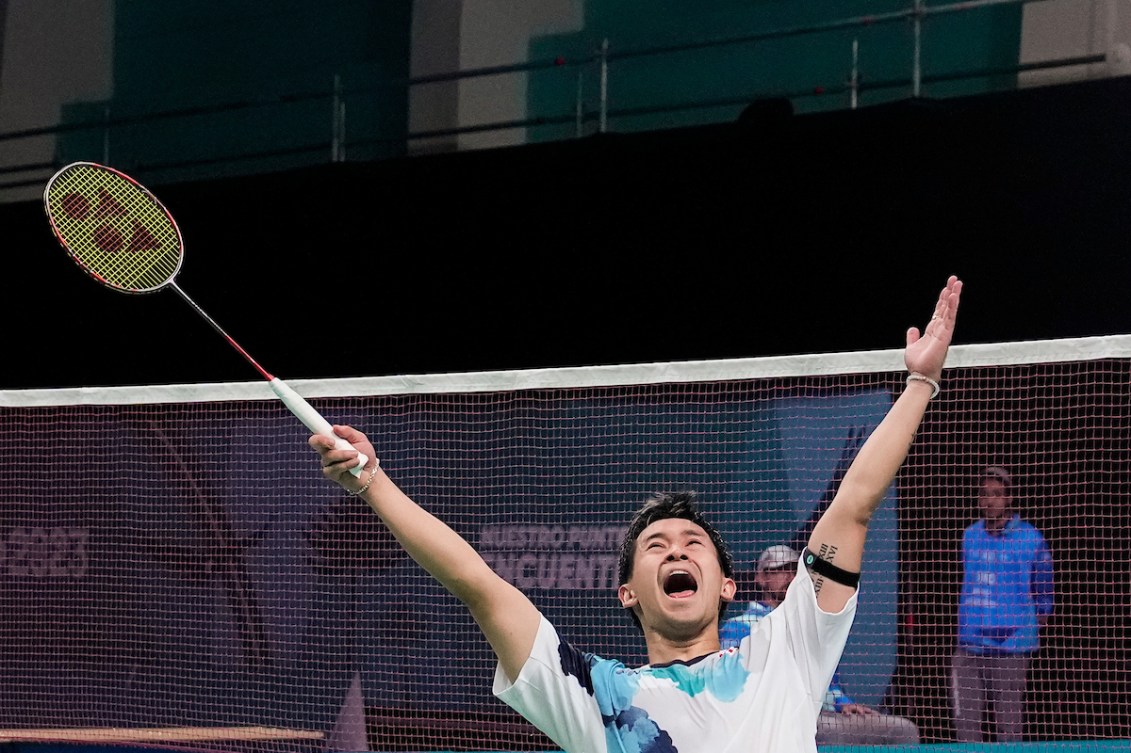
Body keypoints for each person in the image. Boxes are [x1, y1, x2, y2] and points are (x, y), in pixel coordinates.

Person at [308, 275, 963, 753]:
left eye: (691, 542)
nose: (675, 550)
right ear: (626, 591)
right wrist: (374, 484)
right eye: (655, 546)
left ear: (728, 586)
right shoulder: (591, 692)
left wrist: (918, 384)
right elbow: (477, 583)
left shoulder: (784, 655)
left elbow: (852, 505)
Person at [721, 545, 920, 745]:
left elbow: (824, 677)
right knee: (830, 733)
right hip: (775, 715)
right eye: (781, 570)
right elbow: (729, 681)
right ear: (761, 578)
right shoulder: (739, 627)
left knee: (902, 730)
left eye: (794, 570)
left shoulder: (809, 625)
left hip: (822, 711)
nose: (790, 577)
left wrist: (842, 703)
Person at [952, 464, 1054, 742]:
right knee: (965, 730)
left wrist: (1020, 629)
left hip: (1010, 650)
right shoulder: (969, 536)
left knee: (1009, 730)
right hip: (970, 648)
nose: (989, 500)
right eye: (984, 494)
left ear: (1009, 498)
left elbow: (1045, 597)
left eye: (997, 494)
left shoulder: (1031, 540)